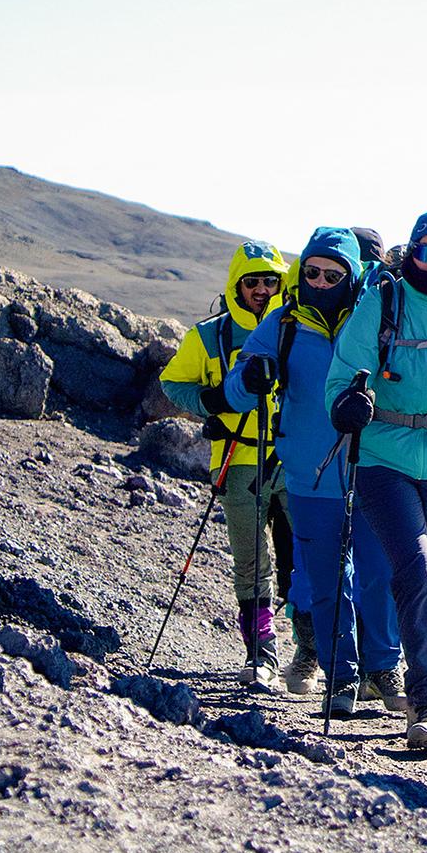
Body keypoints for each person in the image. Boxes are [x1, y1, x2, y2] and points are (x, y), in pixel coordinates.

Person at [324, 208, 427, 752]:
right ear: (411, 250)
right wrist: (346, 403)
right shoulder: (382, 303)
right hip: (384, 458)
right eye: (425, 251)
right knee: (418, 570)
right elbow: (342, 373)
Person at [225, 227, 405, 717]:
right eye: (312, 272)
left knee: (377, 575)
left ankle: (383, 669)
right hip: (309, 472)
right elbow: (237, 389)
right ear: (301, 271)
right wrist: (249, 378)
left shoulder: (373, 318)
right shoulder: (283, 323)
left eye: (334, 273)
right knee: (323, 581)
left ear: (353, 275)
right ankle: (339, 678)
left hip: (373, 467)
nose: (322, 282)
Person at [159, 240, 292, 690]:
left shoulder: (298, 330)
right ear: (236, 285)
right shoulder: (208, 336)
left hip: (294, 457)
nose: (260, 289)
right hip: (238, 460)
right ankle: (263, 654)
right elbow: (172, 381)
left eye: (269, 281)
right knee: (252, 562)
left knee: (312, 559)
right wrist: (209, 401)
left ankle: (313, 657)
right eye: (251, 282)